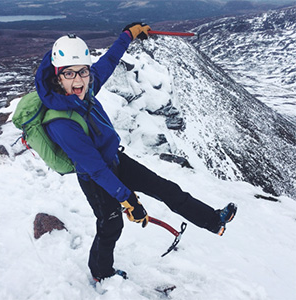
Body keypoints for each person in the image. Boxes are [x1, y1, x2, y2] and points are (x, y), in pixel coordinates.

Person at [35, 23, 237, 283]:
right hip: (95, 178)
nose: (78, 80)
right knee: (110, 226)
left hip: (116, 160)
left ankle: (213, 220)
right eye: (69, 73)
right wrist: (127, 199)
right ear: (58, 76)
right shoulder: (61, 122)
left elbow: (108, 61)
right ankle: (101, 272)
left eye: (83, 72)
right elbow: (95, 167)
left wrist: (127, 36)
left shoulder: (86, 88)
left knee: (167, 189)